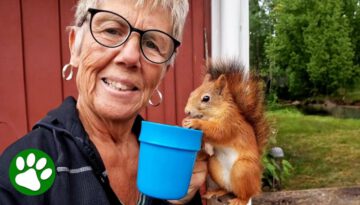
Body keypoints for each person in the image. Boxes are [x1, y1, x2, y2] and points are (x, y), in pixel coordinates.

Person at [0, 0, 207, 204]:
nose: (130, 56)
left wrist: (185, 202)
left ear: (163, 72)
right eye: (111, 31)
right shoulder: (25, 168)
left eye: (152, 43)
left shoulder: (169, 162)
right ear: (75, 47)